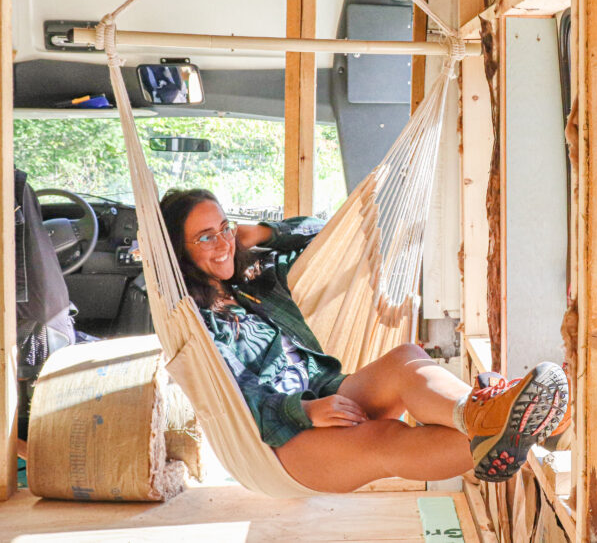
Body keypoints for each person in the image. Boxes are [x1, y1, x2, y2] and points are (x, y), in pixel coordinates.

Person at [159, 188, 568, 492]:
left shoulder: (254, 278)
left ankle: (489, 418)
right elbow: (234, 394)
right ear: (179, 251)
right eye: (206, 236)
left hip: (325, 393)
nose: (224, 242)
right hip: (283, 439)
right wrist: (306, 411)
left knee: (406, 358)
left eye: (225, 227)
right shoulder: (193, 319)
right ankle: (520, 426)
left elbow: (326, 234)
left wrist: (261, 232)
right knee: (384, 438)